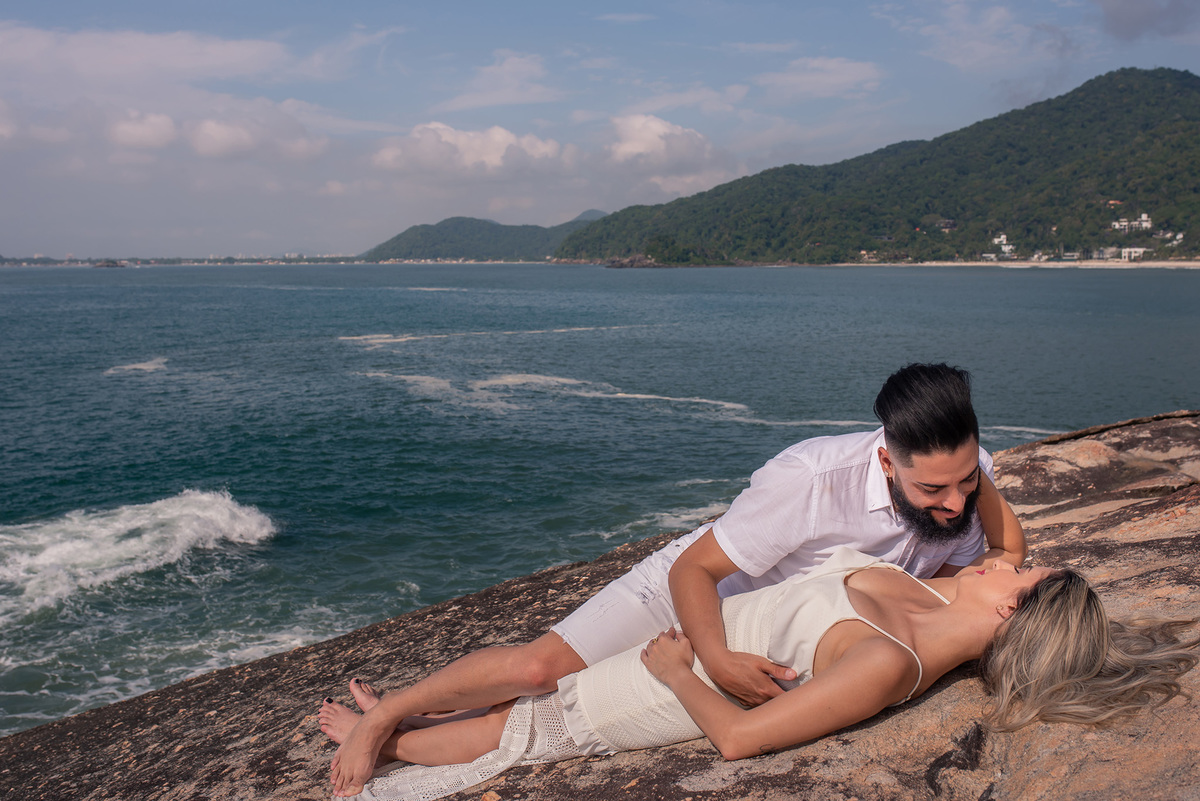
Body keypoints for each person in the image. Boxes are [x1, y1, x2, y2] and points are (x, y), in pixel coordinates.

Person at [329, 363, 1028, 795]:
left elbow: (1005, 546)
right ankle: (388, 715)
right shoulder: (813, 480)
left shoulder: (965, 473)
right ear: (885, 461)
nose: (955, 503)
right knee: (540, 671)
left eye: (967, 480)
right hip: (697, 594)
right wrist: (713, 657)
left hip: (777, 625)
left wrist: (985, 527)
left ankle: (416, 730)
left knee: (550, 717)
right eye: (933, 488)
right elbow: (697, 568)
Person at [318, 552, 1197, 800]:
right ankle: (391, 716)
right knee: (529, 672)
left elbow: (740, 739)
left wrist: (680, 670)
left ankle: (385, 739)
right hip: (692, 635)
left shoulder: (889, 661)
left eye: (1025, 570)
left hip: (664, 682)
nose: (1013, 557)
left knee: (527, 722)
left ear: (1009, 608)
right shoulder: (928, 592)